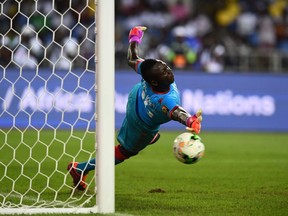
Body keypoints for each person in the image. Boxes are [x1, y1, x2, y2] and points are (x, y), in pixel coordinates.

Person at [67, 26, 203, 191]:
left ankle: (145, 137)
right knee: (124, 152)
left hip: (135, 98)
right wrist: (190, 120)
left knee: (147, 134)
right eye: (164, 73)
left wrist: (134, 39)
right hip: (142, 124)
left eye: (166, 68)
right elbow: (176, 111)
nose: (169, 71)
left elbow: (132, 60)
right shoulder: (166, 99)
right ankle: (80, 168)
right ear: (154, 82)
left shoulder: (148, 71)